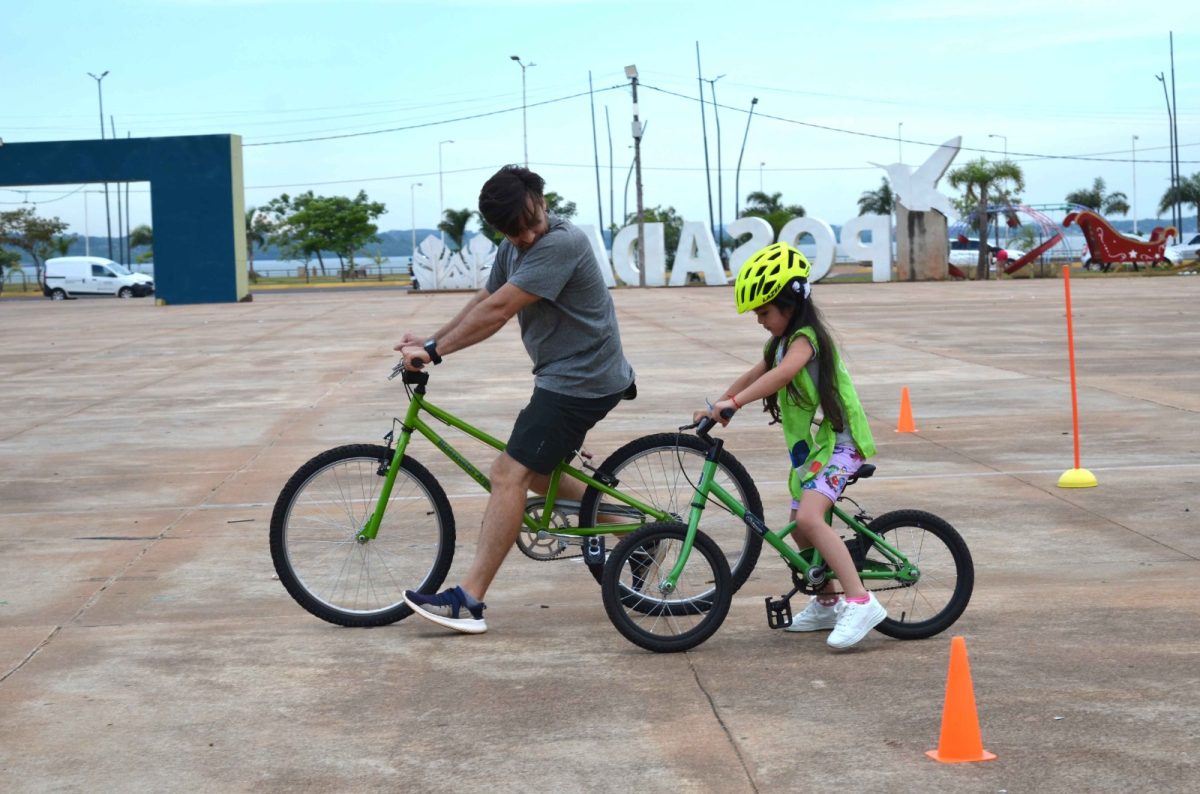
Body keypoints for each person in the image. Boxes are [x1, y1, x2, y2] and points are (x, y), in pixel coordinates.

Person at [396, 165, 635, 635]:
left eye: (531, 223)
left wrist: (436, 353)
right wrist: (430, 340)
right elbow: (485, 299)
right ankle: (638, 535)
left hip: (582, 379)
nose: (526, 236)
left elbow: (501, 311)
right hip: (569, 376)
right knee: (540, 475)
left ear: (543, 202)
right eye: (512, 231)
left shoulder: (561, 243)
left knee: (509, 473)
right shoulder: (515, 247)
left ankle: (469, 600)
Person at [696, 242, 886, 650]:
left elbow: (782, 376)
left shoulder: (806, 340)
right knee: (799, 527)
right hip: (820, 449)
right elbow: (755, 374)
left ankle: (860, 601)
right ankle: (827, 601)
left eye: (764, 312)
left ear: (790, 303)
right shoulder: (780, 343)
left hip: (844, 444)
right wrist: (718, 405)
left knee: (811, 519)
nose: (760, 320)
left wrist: (736, 404)